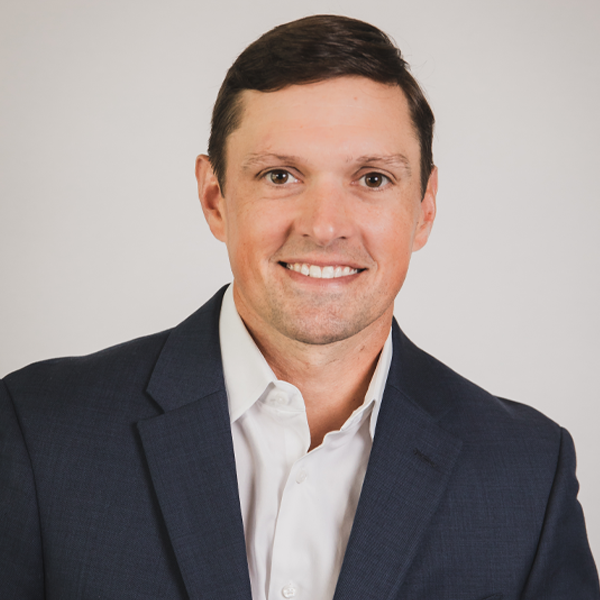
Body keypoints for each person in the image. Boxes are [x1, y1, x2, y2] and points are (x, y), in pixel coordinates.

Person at [0, 14, 598, 600]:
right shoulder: (36, 431)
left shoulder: (528, 474)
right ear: (214, 198)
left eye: (372, 179)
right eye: (281, 174)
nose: (325, 225)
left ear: (425, 208)